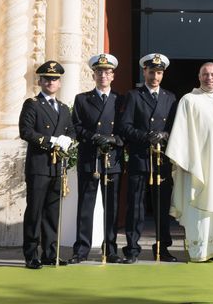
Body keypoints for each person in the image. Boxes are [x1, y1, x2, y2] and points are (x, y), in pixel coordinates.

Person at [165, 62, 213, 262]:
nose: (209, 78)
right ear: (199, 76)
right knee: (199, 204)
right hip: (197, 165)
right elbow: (180, 133)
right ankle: (199, 251)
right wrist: (186, 160)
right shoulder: (189, 100)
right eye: (205, 74)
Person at [118, 53, 178, 263]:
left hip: (161, 159)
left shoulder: (170, 98)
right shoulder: (134, 96)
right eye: (151, 72)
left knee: (162, 207)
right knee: (135, 205)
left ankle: (162, 248)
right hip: (140, 157)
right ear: (144, 71)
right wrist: (145, 136)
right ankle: (132, 249)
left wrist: (165, 135)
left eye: (159, 73)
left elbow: (175, 128)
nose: (155, 76)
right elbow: (124, 126)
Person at [19, 60, 76, 269]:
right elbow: (25, 131)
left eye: (55, 79)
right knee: (35, 211)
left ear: (59, 83)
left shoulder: (62, 107)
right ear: (40, 81)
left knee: (52, 212)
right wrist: (50, 140)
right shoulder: (32, 104)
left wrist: (68, 139)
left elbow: (71, 129)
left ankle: (50, 253)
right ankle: (31, 255)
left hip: (57, 167)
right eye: (47, 79)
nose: (51, 82)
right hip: (39, 166)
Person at [69, 53, 124, 264]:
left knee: (111, 207)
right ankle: (81, 250)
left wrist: (113, 140)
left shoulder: (121, 100)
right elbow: (76, 126)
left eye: (107, 72)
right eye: (99, 72)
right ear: (93, 75)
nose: (103, 75)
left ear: (113, 76)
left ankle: (110, 250)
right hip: (89, 158)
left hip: (112, 159)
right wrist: (93, 137)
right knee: (85, 206)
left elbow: (126, 126)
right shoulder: (82, 99)